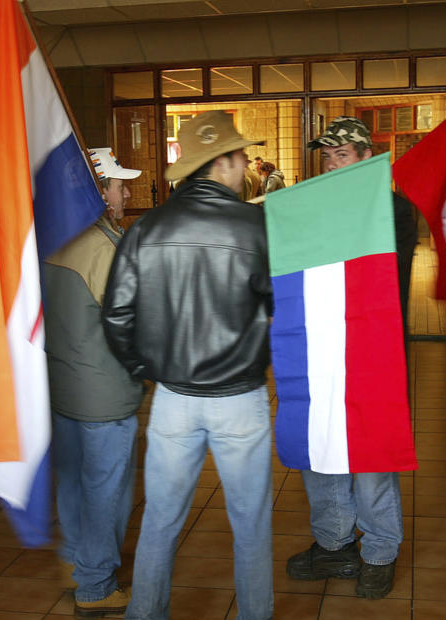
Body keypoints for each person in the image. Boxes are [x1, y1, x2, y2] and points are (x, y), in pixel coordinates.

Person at [103, 110, 274, 620]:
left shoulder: (146, 228)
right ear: (220, 162)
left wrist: (144, 369)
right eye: (240, 155)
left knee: (160, 518)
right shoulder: (258, 226)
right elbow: (284, 307)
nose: (245, 163)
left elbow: (116, 315)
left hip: (173, 400)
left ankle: (145, 614)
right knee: (251, 522)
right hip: (241, 400)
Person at [285, 116, 416, 599]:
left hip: (375, 355)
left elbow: (377, 269)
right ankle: (334, 544)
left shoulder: (395, 211)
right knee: (320, 448)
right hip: (320, 350)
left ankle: (380, 550)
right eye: (327, 156)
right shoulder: (312, 208)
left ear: (367, 160)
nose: (332, 163)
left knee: (372, 454)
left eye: (343, 155)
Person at [44, 148, 145, 617]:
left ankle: (74, 562)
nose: (127, 192)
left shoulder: (50, 240)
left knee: (73, 482)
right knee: (107, 488)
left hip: (61, 388)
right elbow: (133, 323)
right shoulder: (104, 250)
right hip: (103, 395)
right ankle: (96, 583)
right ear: (97, 193)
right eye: (119, 185)